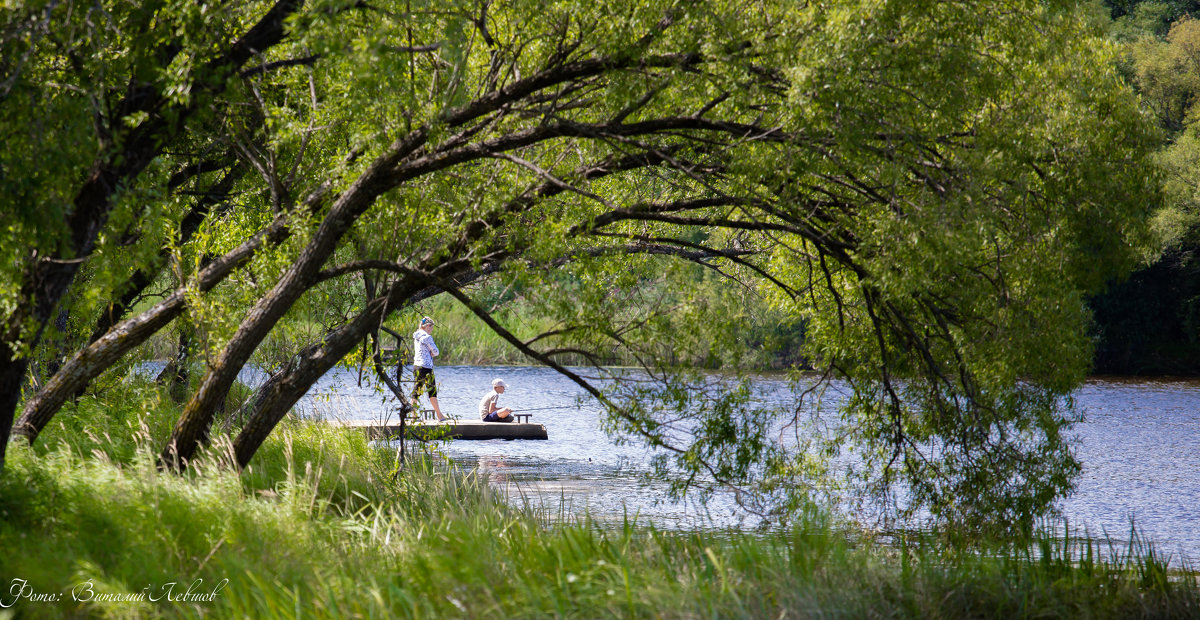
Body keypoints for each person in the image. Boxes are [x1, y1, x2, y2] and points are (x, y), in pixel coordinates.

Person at [410, 316, 446, 422]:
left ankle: (414, 415)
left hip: (417, 366)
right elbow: (436, 351)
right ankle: (440, 416)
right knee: (432, 392)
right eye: (431, 327)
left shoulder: (416, 336)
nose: (432, 329)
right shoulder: (427, 337)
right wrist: (432, 353)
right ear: (427, 326)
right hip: (426, 367)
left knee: (416, 391)